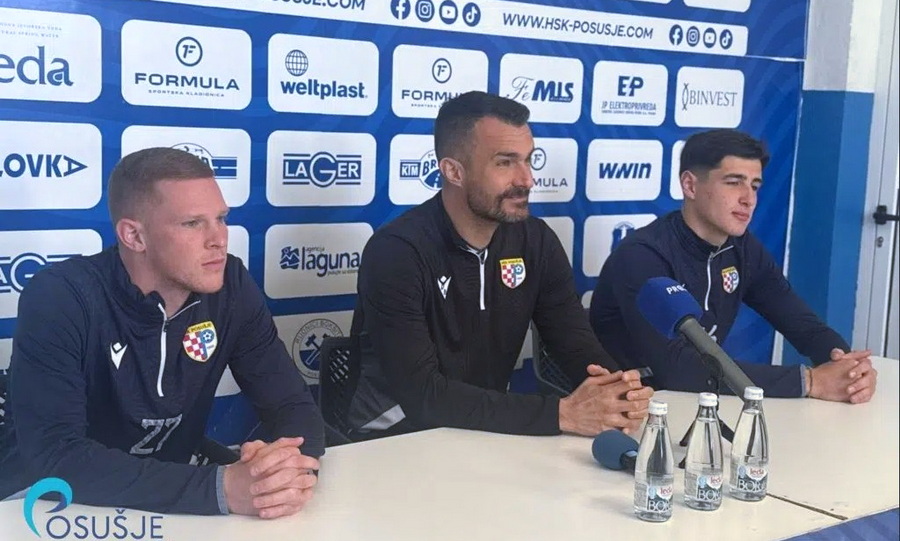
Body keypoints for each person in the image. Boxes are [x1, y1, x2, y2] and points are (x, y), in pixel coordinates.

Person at [0, 148, 324, 518]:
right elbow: (56, 455)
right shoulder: (61, 296)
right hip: (49, 505)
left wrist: (284, 473)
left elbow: (292, 405)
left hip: (171, 501)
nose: (218, 239)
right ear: (134, 236)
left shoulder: (231, 283)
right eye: (192, 224)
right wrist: (221, 489)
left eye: (221, 219)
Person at [348, 91, 653, 439]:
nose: (526, 180)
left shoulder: (536, 241)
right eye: (505, 163)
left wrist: (617, 394)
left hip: (485, 430)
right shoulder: (396, 251)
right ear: (453, 171)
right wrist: (561, 414)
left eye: (528, 160)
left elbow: (575, 344)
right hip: (395, 438)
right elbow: (422, 394)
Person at [590, 129, 878, 403]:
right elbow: (676, 369)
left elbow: (803, 325)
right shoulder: (642, 255)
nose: (748, 199)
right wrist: (809, 381)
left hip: (700, 403)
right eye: (733, 182)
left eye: (754, 186)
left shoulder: (742, 247)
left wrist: (849, 369)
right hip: (633, 408)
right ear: (690, 185)